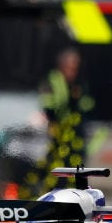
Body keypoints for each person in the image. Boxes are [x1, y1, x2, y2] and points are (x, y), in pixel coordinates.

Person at [24, 47, 94, 196]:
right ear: (62, 65)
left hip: (75, 134)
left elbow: (86, 105)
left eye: (76, 67)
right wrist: (54, 122)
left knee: (76, 166)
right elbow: (48, 104)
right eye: (71, 67)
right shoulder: (53, 80)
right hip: (56, 132)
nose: (73, 71)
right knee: (53, 167)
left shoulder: (79, 83)